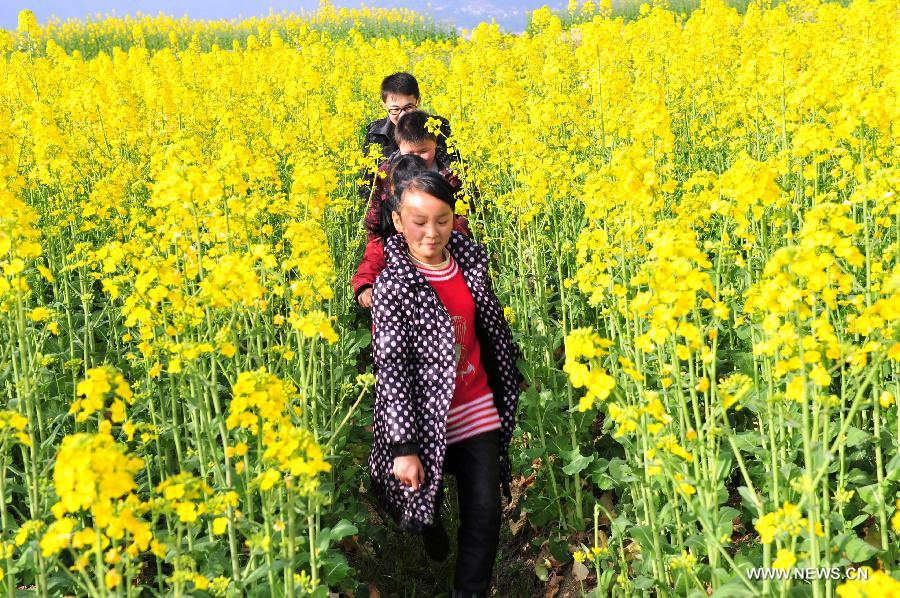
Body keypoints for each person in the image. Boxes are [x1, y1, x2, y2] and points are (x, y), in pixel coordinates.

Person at [368, 169, 523, 597]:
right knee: (426, 503)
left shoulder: (471, 263)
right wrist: (404, 449)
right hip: (423, 419)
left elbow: (489, 332)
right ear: (398, 221)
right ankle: (428, 526)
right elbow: (392, 367)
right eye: (419, 222)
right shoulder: (393, 285)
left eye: (442, 220)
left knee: (485, 513)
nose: (432, 233)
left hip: (476, 406)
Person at [353, 111, 472, 309]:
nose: (417, 159)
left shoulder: (453, 173)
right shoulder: (385, 177)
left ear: (435, 143)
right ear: (398, 146)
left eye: (423, 151)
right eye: (410, 153)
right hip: (401, 270)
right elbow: (377, 235)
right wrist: (366, 283)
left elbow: (469, 224)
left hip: (446, 263)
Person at [359, 72, 455, 200]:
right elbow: (368, 183)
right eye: (395, 109)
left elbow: (453, 169)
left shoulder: (437, 127)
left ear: (418, 100)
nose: (403, 115)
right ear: (384, 106)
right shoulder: (376, 133)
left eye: (409, 107)